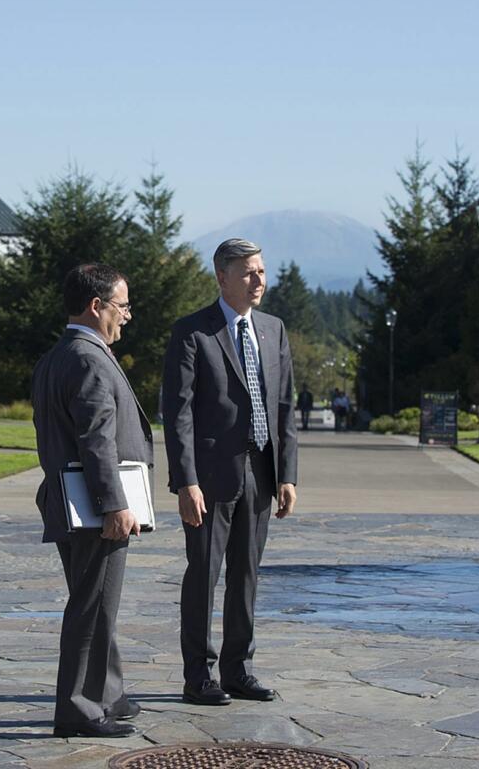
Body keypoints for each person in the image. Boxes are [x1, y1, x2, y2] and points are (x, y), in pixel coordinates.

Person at [162, 238, 298, 707]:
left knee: (247, 575)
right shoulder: (192, 332)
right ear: (222, 277)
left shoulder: (274, 330)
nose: (258, 280)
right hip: (210, 477)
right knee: (204, 574)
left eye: (261, 270)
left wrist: (287, 475)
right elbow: (176, 413)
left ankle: (239, 670)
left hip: (261, 472)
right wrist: (186, 481)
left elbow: (284, 407)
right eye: (247, 272)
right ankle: (198, 676)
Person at [32, 263, 153, 738]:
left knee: (98, 602)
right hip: (94, 506)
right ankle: (78, 709)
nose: (127, 315)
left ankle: (108, 693)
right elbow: (95, 440)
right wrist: (114, 505)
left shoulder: (57, 356)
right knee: (92, 605)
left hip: (70, 500)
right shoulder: (88, 358)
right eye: (122, 306)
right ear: (96, 306)